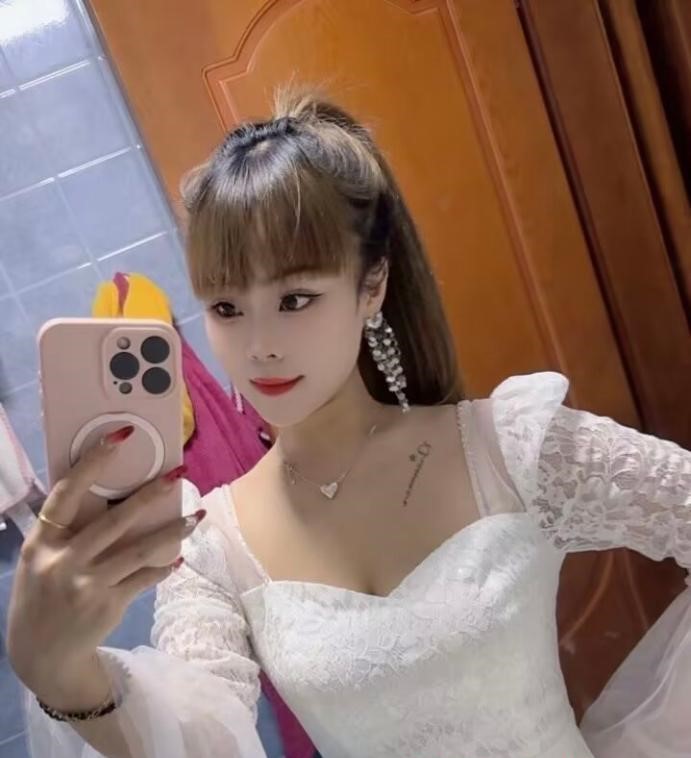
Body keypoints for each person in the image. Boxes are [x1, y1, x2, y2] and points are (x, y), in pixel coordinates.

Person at [6, 85, 691, 758]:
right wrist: (61, 672)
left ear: (372, 286)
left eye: (295, 299)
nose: (259, 345)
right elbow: (200, 747)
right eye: (226, 308)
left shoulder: (510, 448)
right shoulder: (213, 548)